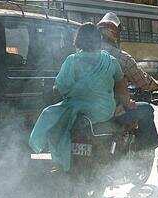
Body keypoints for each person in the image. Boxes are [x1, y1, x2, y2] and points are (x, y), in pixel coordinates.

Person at [29, 23, 130, 171]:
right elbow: (121, 85)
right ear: (98, 40)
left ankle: (45, 150)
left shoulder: (72, 60)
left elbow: (61, 86)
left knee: (49, 114)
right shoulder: (110, 61)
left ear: (79, 39)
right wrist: (127, 102)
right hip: (103, 110)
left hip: (76, 108)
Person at [97, 12, 158, 152]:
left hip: (85, 110)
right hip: (111, 110)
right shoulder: (119, 58)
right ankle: (144, 150)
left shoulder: (80, 56)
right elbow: (143, 82)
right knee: (146, 109)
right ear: (114, 33)